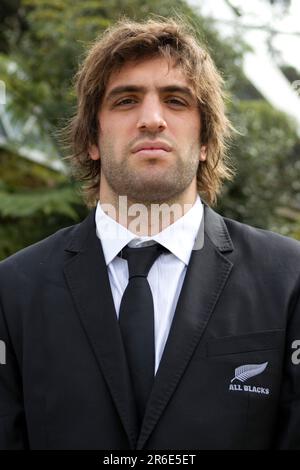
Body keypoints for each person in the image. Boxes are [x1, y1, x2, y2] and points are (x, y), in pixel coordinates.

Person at [0, 18, 300, 451]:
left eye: (176, 101)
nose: (152, 120)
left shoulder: (289, 278)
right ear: (92, 140)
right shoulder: (12, 290)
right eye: (126, 101)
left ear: (204, 141)